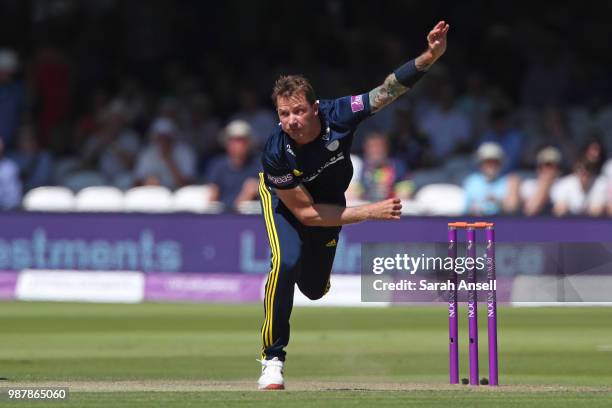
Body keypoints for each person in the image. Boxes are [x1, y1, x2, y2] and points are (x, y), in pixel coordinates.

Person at [256, 21, 449, 390]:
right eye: (284, 114)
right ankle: (272, 360)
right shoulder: (276, 152)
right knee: (285, 262)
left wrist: (429, 56)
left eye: (298, 111)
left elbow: (387, 91)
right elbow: (306, 215)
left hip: (329, 201)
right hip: (289, 203)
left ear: (315, 108)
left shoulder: (339, 114)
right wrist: (369, 211)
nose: (292, 121)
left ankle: (306, 280)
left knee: (313, 289)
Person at [205, 120, 260, 210]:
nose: (237, 145)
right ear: (226, 143)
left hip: (249, 218)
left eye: (241, 140)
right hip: (222, 216)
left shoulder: (259, 164)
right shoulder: (217, 165)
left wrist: (255, 188)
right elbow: (212, 195)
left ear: (249, 143)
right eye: (233, 140)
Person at [134, 117, 196, 189]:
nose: (163, 142)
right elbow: (136, 182)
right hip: (154, 195)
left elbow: (188, 185)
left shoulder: (185, 152)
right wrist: (147, 183)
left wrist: (168, 160)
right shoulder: (147, 153)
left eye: (166, 138)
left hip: (179, 195)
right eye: (159, 138)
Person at [463, 142, 520, 216]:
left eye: (495, 161)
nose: (491, 165)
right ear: (480, 163)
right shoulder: (471, 181)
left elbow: (512, 208)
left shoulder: (510, 180)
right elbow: (466, 208)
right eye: (488, 161)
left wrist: (497, 201)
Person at [520, 146, 562, 216]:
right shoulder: (528, 185)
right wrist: (545, 184)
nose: (551, 169)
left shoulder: (564, 184)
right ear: (538, 168)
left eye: (555, 165)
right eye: (548, 165)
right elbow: (531, 210)